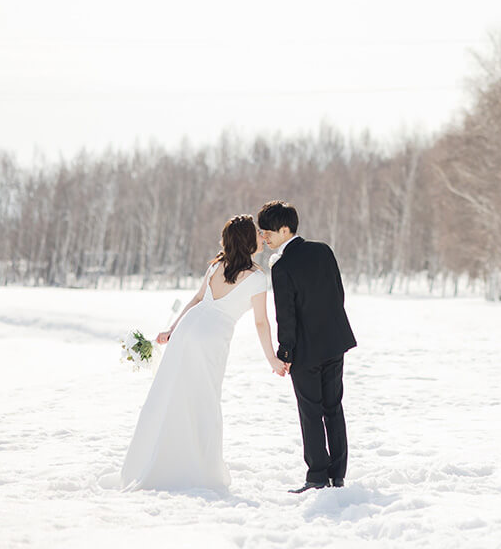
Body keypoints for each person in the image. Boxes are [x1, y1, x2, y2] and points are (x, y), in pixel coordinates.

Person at [120, 215, 287, 491]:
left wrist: (173, 329)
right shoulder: (257, 278)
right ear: (247, 240)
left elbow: (198, 299)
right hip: (212, 337)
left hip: (188, 328)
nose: (261, 237)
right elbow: (261, 322)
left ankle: (157, 459)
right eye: (257, 233)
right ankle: (196, 467)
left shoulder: (216, 266)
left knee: (171, 393)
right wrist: (272, 358)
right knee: (204, 399)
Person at [258, 200, 357, 493]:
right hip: (335, 341)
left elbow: (285, 315)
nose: (264, 238)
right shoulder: (323, 250)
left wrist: (285, 352)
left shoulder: (282, 265)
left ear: (285, 229)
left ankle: (316, 476)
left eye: (267, 232)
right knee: (333, 408)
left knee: (311, 412)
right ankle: (337, 475)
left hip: (305, 351)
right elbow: (338, 294)